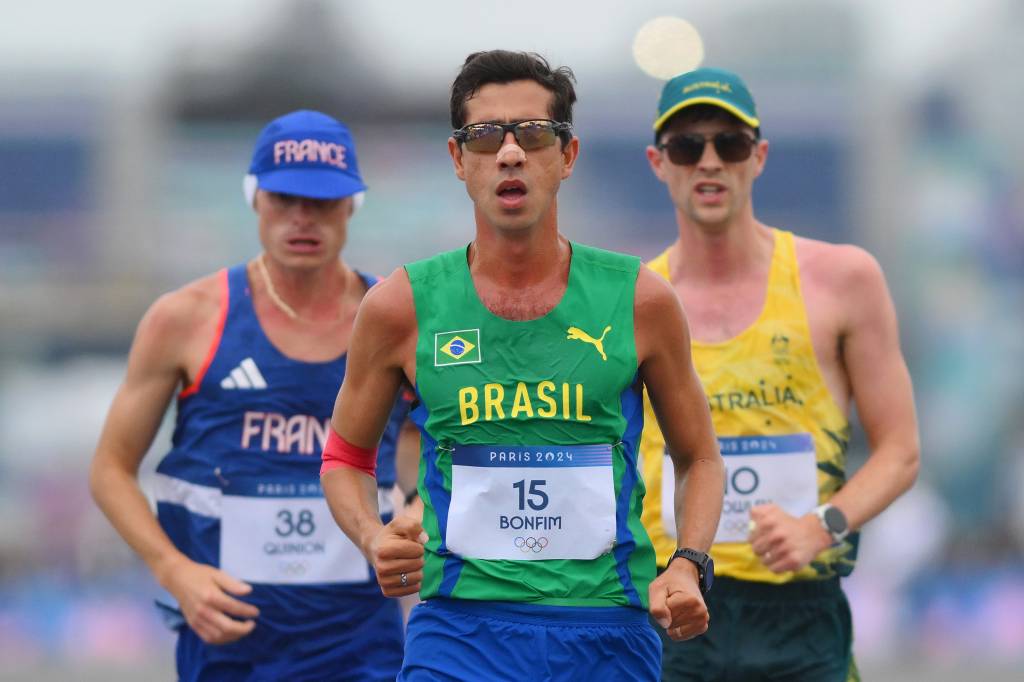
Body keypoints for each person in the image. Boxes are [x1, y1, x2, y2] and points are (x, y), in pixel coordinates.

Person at [319, 50, 726, 682]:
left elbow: (698, 455)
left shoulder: (641, 299)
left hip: (607, 633)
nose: (510, 153)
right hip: (458, 634)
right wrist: (373, 537)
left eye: (533, 135)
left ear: (567, 156)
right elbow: (345, 458)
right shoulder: (401, 306)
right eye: (485, 137)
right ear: (459, 160)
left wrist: (687, 563)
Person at [90, 110, 409, 681]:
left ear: (352, 205)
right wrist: (173, 572)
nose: (301, 218)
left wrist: (418, 515)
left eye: (323, 201)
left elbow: (444, 451)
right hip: (228, 640)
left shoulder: (396, 318)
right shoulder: (187, 318)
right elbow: (111, 469)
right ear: (253, 198)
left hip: (361, 642)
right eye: (284, 198)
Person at [638, 67, 921, 681]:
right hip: (671, 605)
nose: (709, 162)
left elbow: (900, 451)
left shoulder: (843, 280)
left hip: (799, 611)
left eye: (730, 144)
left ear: (759, 157)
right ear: (659, 163)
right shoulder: (632, 300)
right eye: (688, 146)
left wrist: (824, 526)